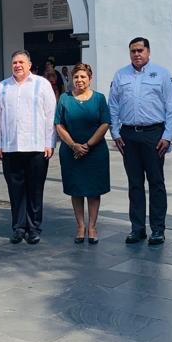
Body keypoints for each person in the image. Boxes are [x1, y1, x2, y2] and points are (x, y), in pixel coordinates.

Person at [108, 37, 172, 246]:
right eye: (133, 51)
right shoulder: (121, 75)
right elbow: (113, 105)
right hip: (128, 135)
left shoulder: (162, 74)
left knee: (156, 183)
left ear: (148, 51)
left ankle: (157, 229)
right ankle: (137, 228)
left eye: (140, 50)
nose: (136, 54)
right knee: (135, 184)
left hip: (153, 135)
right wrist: (115, 132)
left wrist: (167, 136)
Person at [0, 50, 57, 245]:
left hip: (37, 147)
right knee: (15, 190)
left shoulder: (42, 84)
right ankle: (18, 227)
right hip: (11, 148)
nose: (17, 65)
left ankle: (34, 228)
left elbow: (50, 115)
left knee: (35, 189)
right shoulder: (2, 87)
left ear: (29, 64)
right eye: (14, 62)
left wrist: (50, 142)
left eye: (21, 62)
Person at [55, 63, 111, 245]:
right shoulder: (65, 98)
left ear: (90, 79)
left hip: (95, 152)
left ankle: (92, 226)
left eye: (83, 77)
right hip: (72, 152)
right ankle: (80, 226)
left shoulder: (99, 99)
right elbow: (59, 124)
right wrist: (73, 145)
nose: (79, 80)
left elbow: (105, 123)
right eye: (76, 77)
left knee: (94, 191)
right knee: (76, 190)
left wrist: (87, 145)